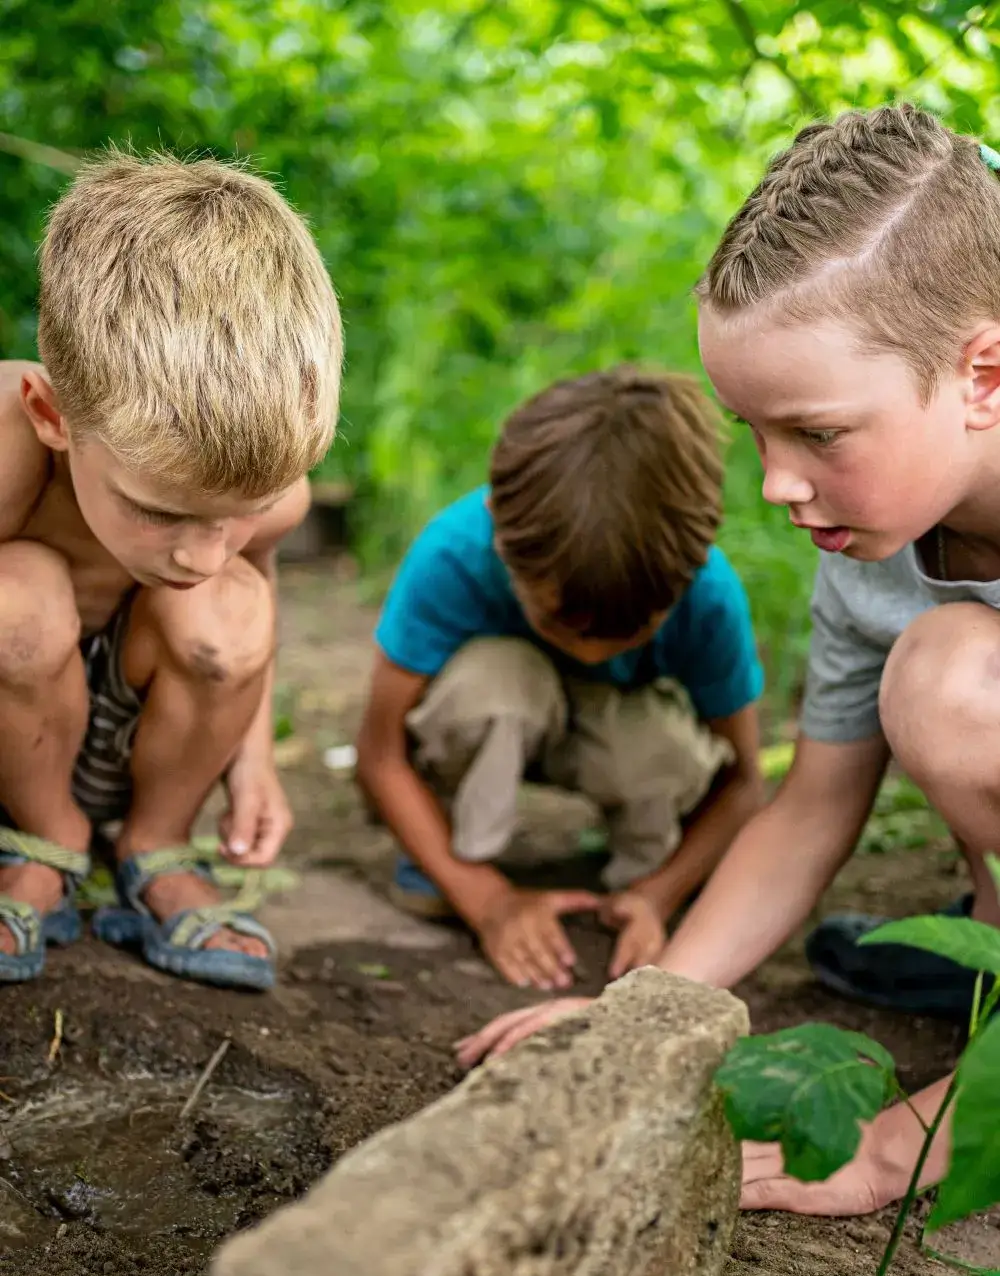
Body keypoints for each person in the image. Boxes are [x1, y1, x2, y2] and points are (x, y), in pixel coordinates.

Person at [457, 103, 1000, 1217]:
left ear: (982, 375)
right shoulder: (870, 556)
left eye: (819, 434)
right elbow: (810, 810)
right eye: (754, 432)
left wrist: (902, 1146)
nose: (774, 485)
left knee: (951, 684)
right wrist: (645, 1007)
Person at [0, 147, 342, 990]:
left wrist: (253, 761)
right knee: (20, 600)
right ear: (51, 415)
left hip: (138, 740)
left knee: (229, 608)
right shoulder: (6, 456)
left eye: (242, 510)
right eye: (159, 512)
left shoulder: (274, 499)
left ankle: (155, 842)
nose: (201, 552)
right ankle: (47, 845)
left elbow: (253, 613)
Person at [355, 368, 765, 990]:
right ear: (504, 541)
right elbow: (380, 755)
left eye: (629, 632)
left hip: (616, 727)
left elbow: (743, 780)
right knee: (495, 686)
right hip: (499, 710)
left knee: (657, 743)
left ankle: (640, 868)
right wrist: (487, 902)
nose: (593, 652)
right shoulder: (454, 554)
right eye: (560, 622)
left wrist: (661, 893)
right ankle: (451, 855)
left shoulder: (707, 595)